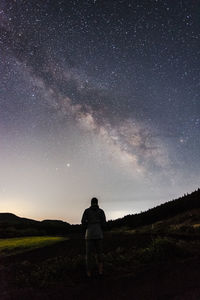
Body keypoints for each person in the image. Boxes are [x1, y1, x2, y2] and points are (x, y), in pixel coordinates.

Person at [81, 197, 106, 278]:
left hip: (89, 234)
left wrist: (87, 226)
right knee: (99, 253)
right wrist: (100, 227)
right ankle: (100, 271)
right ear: (97, 202)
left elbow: (83, 221)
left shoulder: (87, 211)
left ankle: (89, 272)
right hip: (98, 233)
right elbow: (104, 223)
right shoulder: (101, 211)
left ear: (91, 203)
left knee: (88, 255)